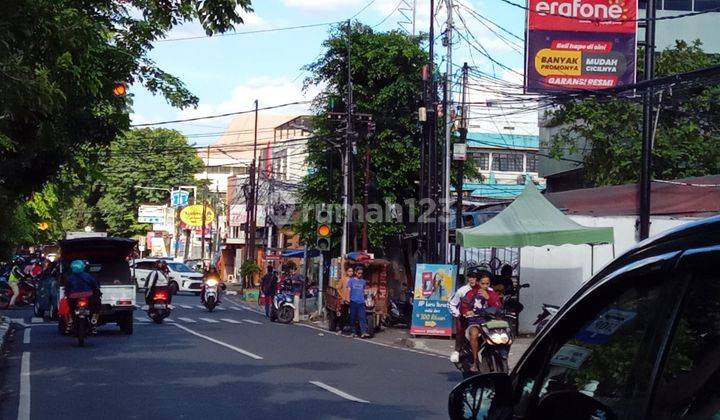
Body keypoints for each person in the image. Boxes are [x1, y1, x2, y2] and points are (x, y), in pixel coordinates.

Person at [465, 272, 502, 372]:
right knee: (474, 333)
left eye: (487, 283)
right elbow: (463, 306)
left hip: (490, 323)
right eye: (483, 283)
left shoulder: (492, 294)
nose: (485, 286)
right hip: (475, 322)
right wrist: (468, 311)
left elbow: (498, 306)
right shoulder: (471, 294)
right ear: (478, 283)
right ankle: (475, 361)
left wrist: (488, 298)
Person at [448, 269, 482, 364]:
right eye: (470, 277)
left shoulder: (484, 289)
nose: (472, 279)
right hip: (465, 318)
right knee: (460, 330)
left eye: (474, 277)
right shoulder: (461, 291)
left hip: (479, 318)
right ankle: (457, 351)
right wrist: (458, 314)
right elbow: (451, 304)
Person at [65, 260, 101, 334]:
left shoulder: (70, 278)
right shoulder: (88, 276)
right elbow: (95, 286)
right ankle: (94, 320)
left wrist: (68, 294)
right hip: (88, 296)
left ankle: (71, 320)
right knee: (97, 305)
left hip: (74, 298)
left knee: (71, 308)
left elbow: (67, 289)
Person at [347, 265, 370, 338]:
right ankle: (353, 332)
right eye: (359, 273)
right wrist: (347, 299)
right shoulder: (351, 281)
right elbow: (348, 290)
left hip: (361, 302)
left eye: (361, 273)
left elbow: (365, 290)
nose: (360, 275)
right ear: (355, 273)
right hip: (353, 301)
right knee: (353, 317)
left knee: (362, 317)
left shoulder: (363, 282)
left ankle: (363, 332)